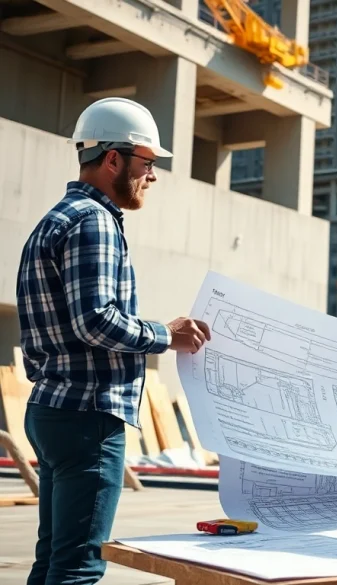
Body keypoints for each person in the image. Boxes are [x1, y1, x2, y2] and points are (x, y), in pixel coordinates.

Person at [16, 97, 212, 585]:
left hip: (55, 409)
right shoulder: (95, 222)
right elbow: (95, 321)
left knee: (53, 563)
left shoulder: (55, 220)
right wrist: (169, 336)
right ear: (112, 159)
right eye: (148, 163)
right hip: (88, 415)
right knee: (78, 568)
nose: (153, 176)